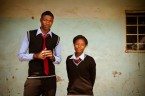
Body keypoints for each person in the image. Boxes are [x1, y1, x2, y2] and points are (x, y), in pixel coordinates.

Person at [18, 11, 61, 96]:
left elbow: (59, 59)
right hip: (34, 78)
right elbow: (20, 56)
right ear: (40, 20)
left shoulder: (56, 38)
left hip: (50, 78)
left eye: (50, 21)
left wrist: (52, 57)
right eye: (45, 20)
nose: (47, 22)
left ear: (52, 22)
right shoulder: (30, 34)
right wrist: (35, 55)